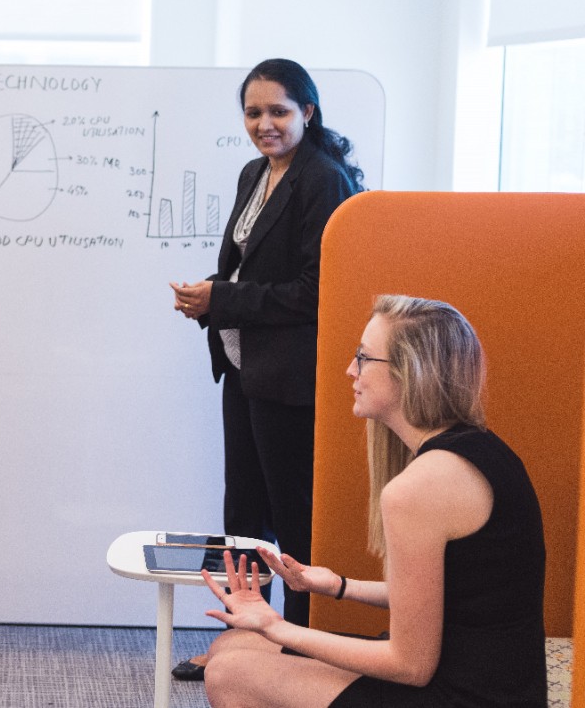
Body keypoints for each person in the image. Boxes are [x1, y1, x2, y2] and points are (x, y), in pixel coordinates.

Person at [198, 295, 547, 707]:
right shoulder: (476, 450)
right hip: (481, 679)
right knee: (233, 644)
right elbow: (448, 596)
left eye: (363, 357)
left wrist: (277, 626)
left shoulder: (421, 487)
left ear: (410, 372)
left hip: (469, 695)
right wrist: (336, 586)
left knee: (229, 673)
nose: (351, 369)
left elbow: (410, 666)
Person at [168, 58, 362, 679]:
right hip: (244, 368)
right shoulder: (255, 172)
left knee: (292, 525)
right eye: (253, 113)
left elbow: (314, 292)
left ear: (308, 112)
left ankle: (299, 651)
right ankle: (241, 644)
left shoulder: (323, 179)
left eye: (278, 111)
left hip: (289, 380)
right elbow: (248, 268)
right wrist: (210, 294)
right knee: (243, 521)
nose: (264, 124)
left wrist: (223, 298)